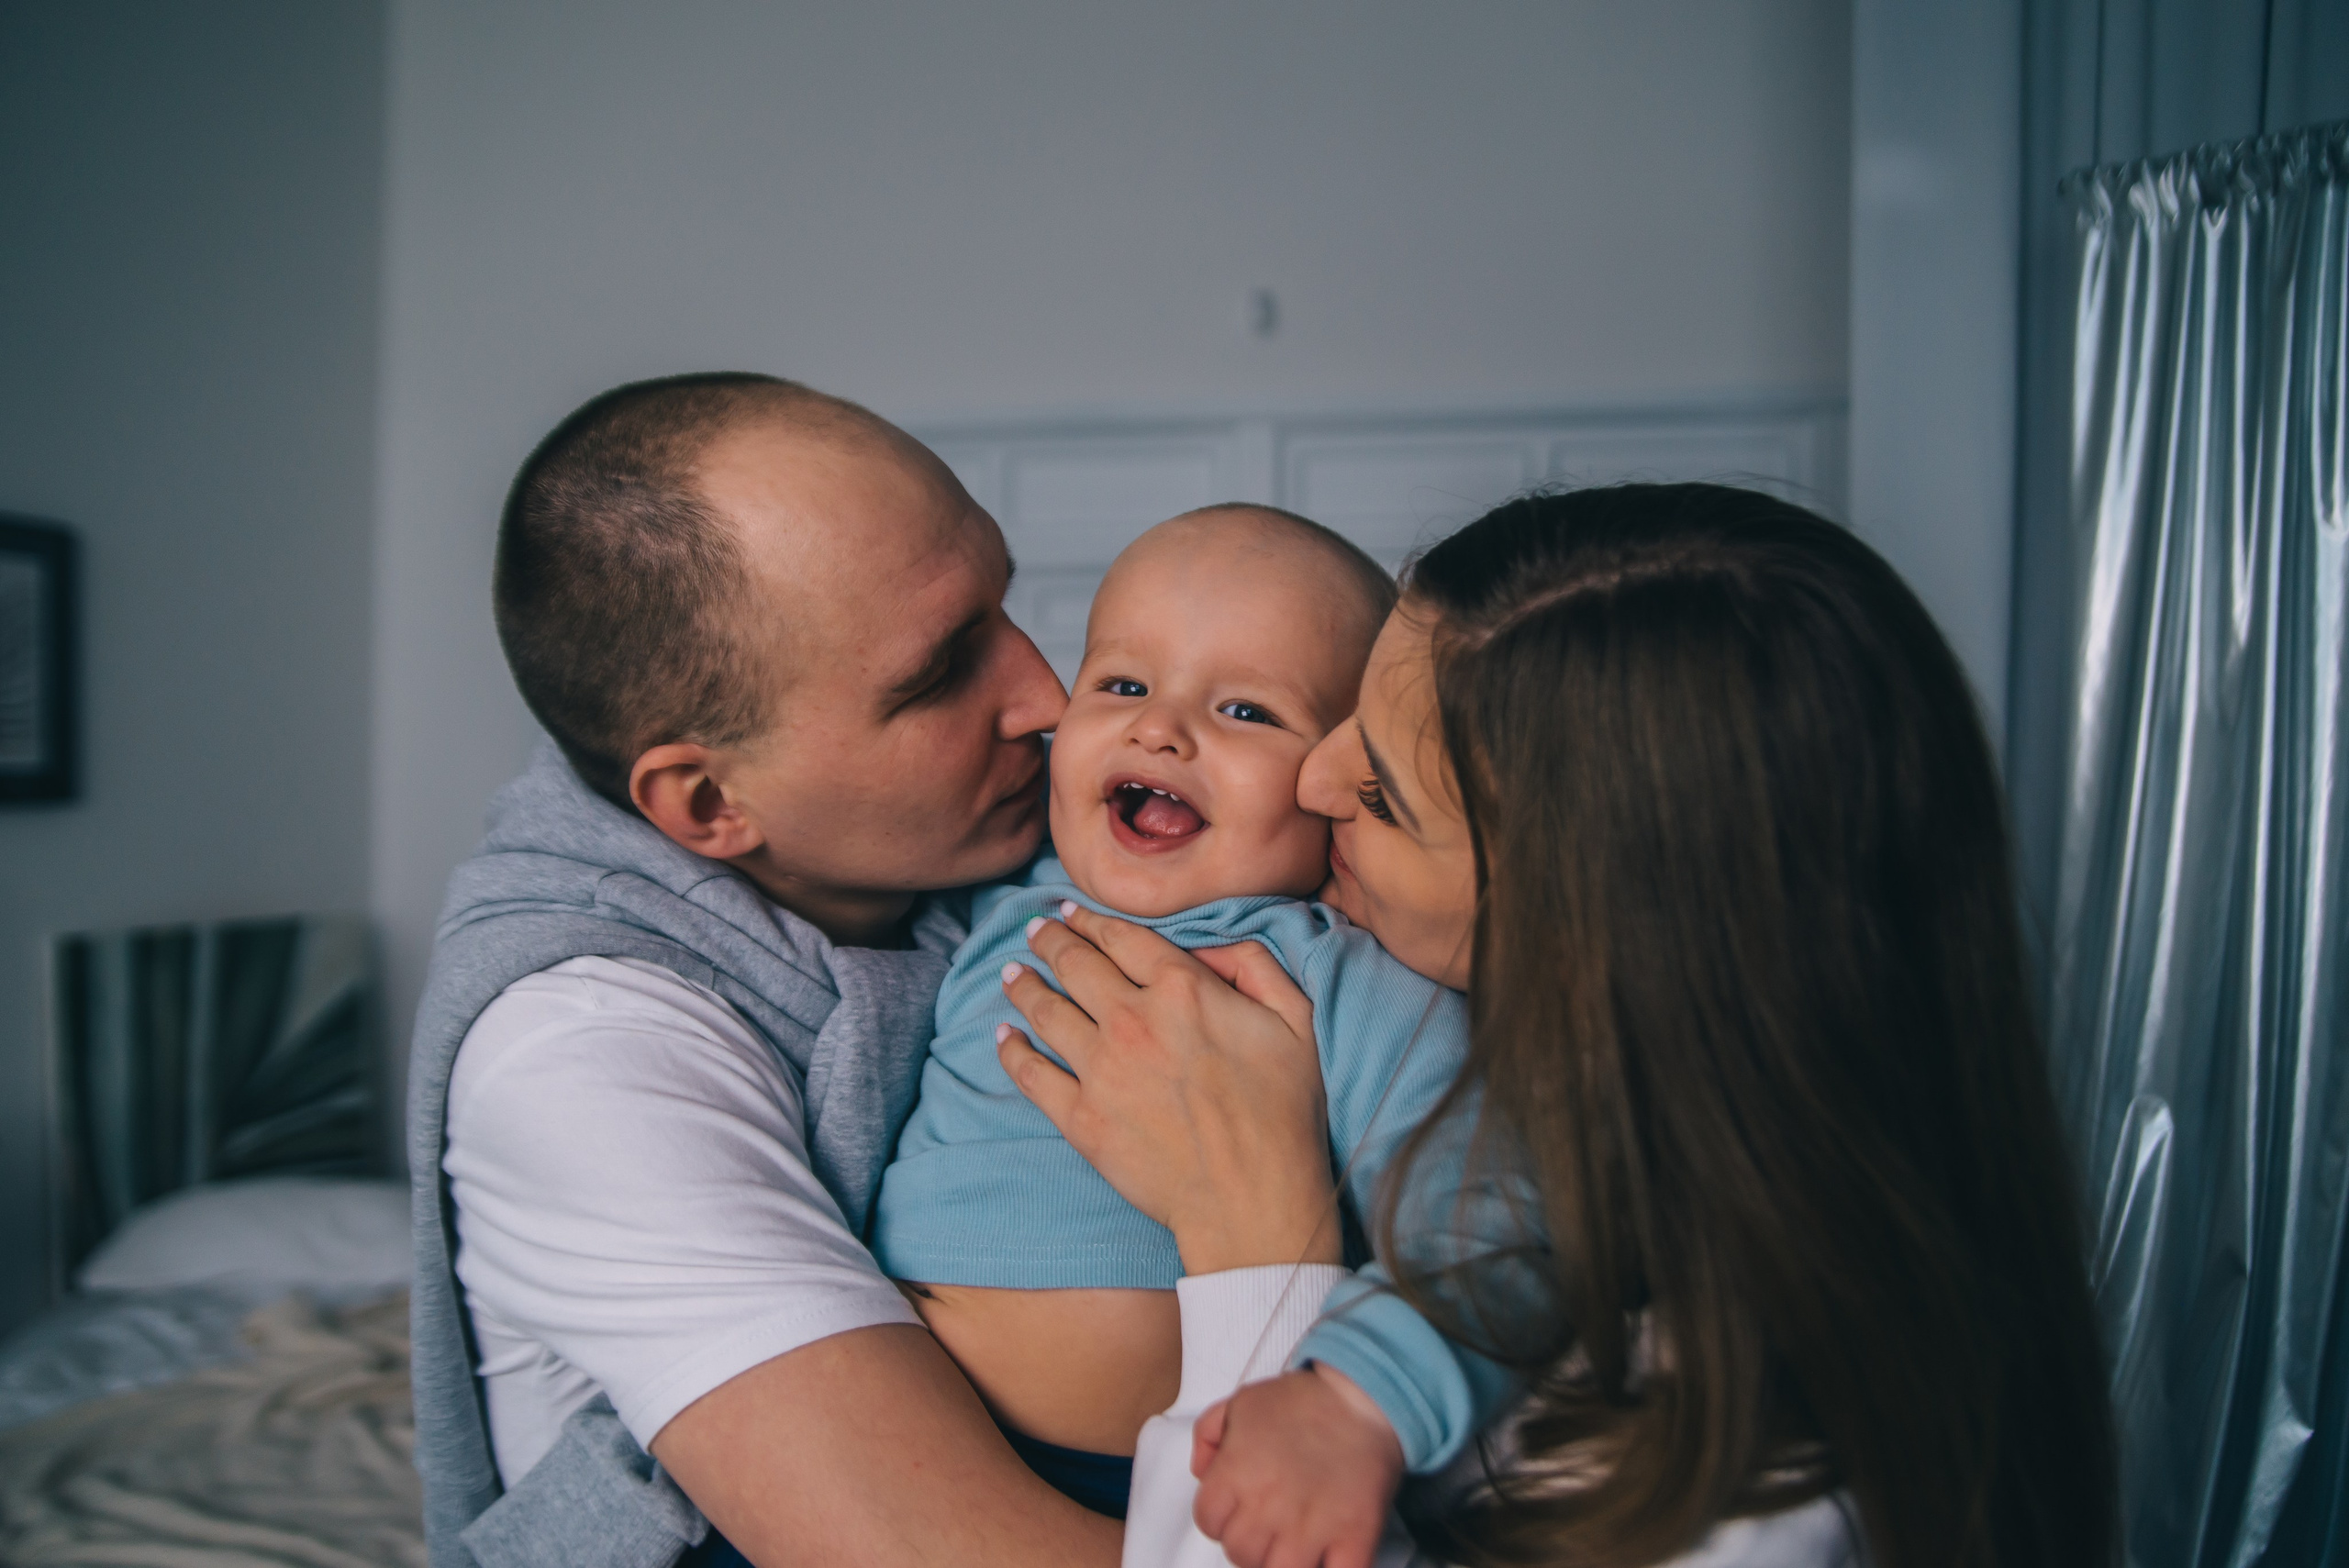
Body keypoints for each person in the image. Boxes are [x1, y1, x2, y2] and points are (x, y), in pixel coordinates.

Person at [996, 484, 2121, 1568]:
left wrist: (1255, 1243)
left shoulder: (1750, 1486)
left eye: (1385, 794)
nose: (1316, 777)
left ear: (1584, 930)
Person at [406, 373, 1349, 1568]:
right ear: (709, 801)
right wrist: (1267, 1216)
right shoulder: (580, 1058)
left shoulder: (1004, 859)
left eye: (1005, 607)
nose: (1045, 697)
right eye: (941, 673)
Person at [870, 505, 1510, 1515]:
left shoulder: (1336, 975)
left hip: (1157, 1475)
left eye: (1247, 711)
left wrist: (1362, 1399)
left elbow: (1493, 1228)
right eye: (1121, 684)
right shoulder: (995, 904)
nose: (1159, 727)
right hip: (912, 1444)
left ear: (1343, 778)